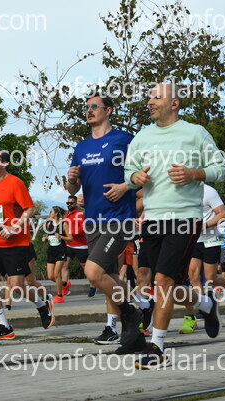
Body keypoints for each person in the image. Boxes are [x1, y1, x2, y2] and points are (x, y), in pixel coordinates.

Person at [125, 82, 225, 369]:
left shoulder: (195, 133)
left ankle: (156, 348)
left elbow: (221, 168)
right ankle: (206, 304)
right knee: (155, 283)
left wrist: (194, 173)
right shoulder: (142, 137)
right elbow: (128, 170)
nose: (150, 101)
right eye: (149, 96)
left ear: (174, 103)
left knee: (163, 282)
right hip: (153, 218)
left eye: (156, 96)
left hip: (184, 218)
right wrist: (135, 178)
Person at [66, 92, 143, 347]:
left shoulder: (124, 139)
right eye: (87, 107)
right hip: (92, 220)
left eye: (95, 106)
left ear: (108, 110)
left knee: (92, 271)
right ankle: (138, 310)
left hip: (120, 219)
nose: (89, 110)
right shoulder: (82, 147)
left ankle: (130, 314)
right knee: (110, 277)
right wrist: (71, 180)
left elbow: (146, 172)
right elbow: (72, 189)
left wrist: (125, 186)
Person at [0, 148, 54, 340]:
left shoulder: (15, 182)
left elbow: (30, 209)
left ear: (4, 163)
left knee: (17, 286)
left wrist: (14, 227)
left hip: (17, 242)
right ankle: (4, 326)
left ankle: (42, 305)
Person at [179, 184, 225, 335]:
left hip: (211, 240)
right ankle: (202, 310)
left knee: (210, 278)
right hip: (193, 240)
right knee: (193, 277)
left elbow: (223, 214)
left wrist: (205, 225)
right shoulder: (182, 191)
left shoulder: (208, 191)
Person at [42, 206, 73, 303]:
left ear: (56, 213)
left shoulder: (63, 224)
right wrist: (45, 239)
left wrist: (61, 236)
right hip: (51, 251)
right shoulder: (49, 224)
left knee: (56, 274)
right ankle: (65, 284)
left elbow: (70, 238)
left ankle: (59, 296)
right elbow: (50, 236)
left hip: (61, 251)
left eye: (51, 212)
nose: (49, 213)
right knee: (50, 276)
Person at [63, 195, 92, 297]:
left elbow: (83, 228)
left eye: (71, 203)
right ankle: (65, 288)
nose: (69, 205)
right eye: (68, 203)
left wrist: (71, 234)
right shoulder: (66, 214)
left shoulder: (79, 214)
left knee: (84, 267)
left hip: (80, 245)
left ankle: (93, 285)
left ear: (75, 204)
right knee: (65, 265)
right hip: (69, 244)